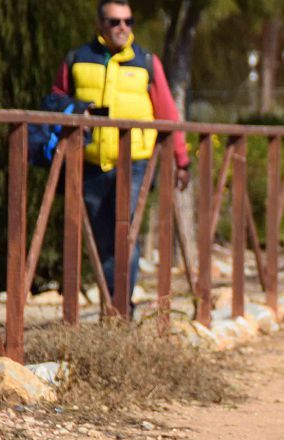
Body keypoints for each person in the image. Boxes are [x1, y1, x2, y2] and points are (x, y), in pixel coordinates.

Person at [51, 0, 190, 310]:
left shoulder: (147, 62)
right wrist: (74, 108)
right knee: (100, 240)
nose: (123, 27)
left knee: (125, 233)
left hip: (135, 164)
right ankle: (112, 305)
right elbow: (55, 98)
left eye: (128, 21)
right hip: (90, 163)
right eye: (115, 22)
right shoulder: (77, 58)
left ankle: (120, 307)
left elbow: (167, 111)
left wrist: (182, 158)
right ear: (100, 24)